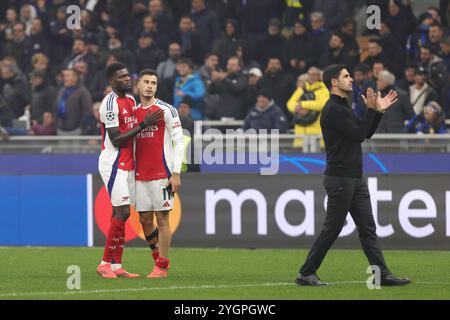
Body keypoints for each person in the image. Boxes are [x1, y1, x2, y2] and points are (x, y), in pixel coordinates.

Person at [295, 64, 410, 287]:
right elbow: (359, 134)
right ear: (334, 83)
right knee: (333, 228)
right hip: (341, 179)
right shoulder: (333, 110)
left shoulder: (343, 107)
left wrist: (378, 111)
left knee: (367, 228)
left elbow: (364, 132)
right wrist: (372, 110)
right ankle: (306, 272)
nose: (351, 79)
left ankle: (381, 274)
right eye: (346, 76)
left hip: (354, 178)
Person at [97, 62, 164, 279]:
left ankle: (116, 265)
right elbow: (116, 139)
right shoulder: (109, 103)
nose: (127, 79)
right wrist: (144, 125)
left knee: (121, 214)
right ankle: (104, 263)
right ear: (111, 81)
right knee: (123, 212)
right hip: (114, 162)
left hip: (129, 164)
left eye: (128, 75)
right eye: (121, 77)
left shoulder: (130, 100)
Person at [134, 68, 184, 278]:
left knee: (162, 220)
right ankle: (158, 259)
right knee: (145, 220)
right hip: (139, 175)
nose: (149, 86)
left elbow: (179, 140)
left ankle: (161, 266)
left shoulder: (166, 110)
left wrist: (176, 172)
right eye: (146, 82)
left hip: (162, 174)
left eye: (153, 83)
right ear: (138, 85)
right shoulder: (133, 112)